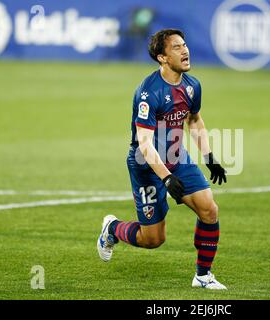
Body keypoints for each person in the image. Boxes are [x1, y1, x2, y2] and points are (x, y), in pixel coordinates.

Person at [97, 29, 227, 289]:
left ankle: (203, 276)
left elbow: (193, 119)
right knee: (153, 239)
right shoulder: (148, 92)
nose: (185, 51)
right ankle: (112, 229)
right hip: (146, 165)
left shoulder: (192, 86)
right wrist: (165, 177)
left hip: (177, 157)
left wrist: (209, 156)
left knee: (209, 209)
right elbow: (144, 143)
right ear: (162, 58)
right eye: (177, 48)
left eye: (185, 45)